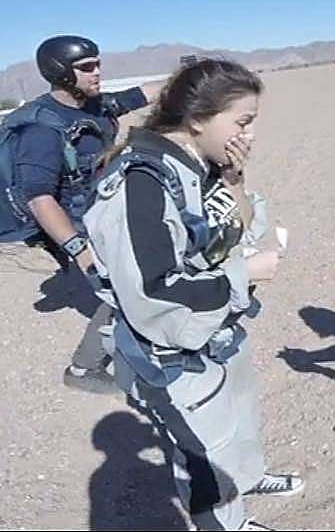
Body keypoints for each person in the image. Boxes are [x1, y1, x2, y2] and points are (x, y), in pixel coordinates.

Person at [83, 58, 304, 531]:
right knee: (205, 453)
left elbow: (234, 231)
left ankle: (246, 479)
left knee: (239, 419)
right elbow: (154, 288)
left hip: (217, 331)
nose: (251, 135)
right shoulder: (141, 184)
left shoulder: (201, 166)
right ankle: (226, 521)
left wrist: (233, 181)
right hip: (173, 352)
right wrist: (245, 273)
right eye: (243, 122)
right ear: (197, 119)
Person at [2, 34, 160, 393]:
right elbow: (39, 199)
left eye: (98, 64)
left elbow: (140, 95)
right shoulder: (41, 128)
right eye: (87, 67)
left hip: (101, 212)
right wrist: (80, 251)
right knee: (120, 286)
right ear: (61, 73)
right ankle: (83, 368)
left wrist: (193, 77)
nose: (98, 72)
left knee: (127, 282)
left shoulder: (95, 106)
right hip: (71, 225)